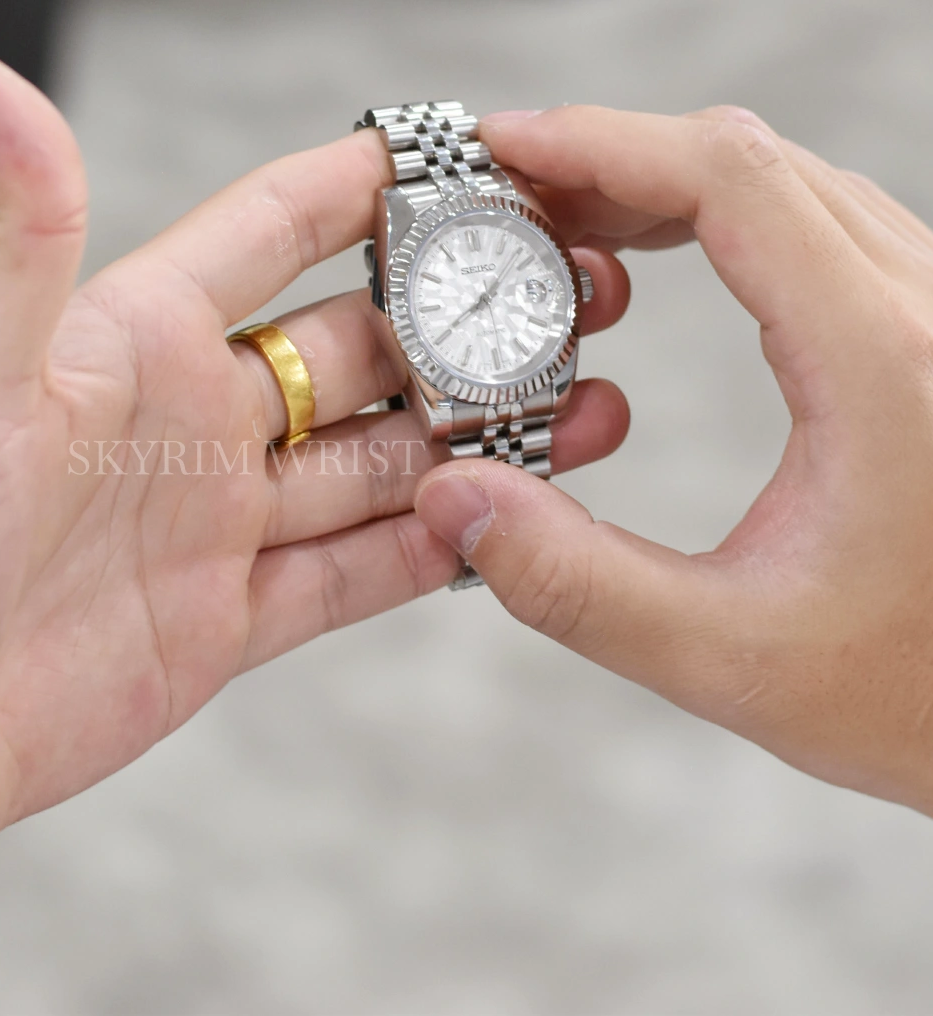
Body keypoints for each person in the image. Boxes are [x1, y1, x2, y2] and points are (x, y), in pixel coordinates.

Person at [1, 65, 931, 824]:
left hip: (501, 368)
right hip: (462, 372)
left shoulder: (526, 277)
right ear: (387, 288)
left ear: (562, 286)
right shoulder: (424, 284)